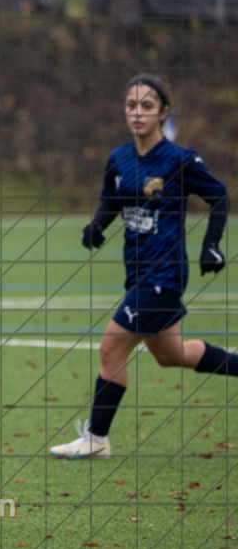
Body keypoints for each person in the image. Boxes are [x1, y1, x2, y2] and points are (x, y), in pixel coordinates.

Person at [50, 73, 235, 460]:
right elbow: (111, 201)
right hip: (137, 272)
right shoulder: (119, 159)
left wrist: (212, 246)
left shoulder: (179, 160)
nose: (138, 113)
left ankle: (96, 440)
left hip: (164, 275)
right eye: (132, 106)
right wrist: (96, 227)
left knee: (110, 348)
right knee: (171, 354)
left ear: (163, 112)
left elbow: (219, 197)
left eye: (147, 107)